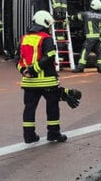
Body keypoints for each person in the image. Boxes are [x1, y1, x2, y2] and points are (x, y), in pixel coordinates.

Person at [18, 10, 68, 143]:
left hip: (29, 82)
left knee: (29, 108)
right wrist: (34, 69)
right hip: (47, 81)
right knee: (52, 107)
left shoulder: (24, 38)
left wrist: (24, 70)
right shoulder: (46, 38)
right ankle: (54, 134)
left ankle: (29, 136)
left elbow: (19, 59)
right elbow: (49, 56)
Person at [72, 0, 101, 73]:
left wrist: (70, 17)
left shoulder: (86, 14)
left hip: (90, 38)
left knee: (85, 51)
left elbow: (77, 17)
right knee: (100, 52)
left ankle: (80, 67)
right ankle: (100, 67)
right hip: (99, 37)